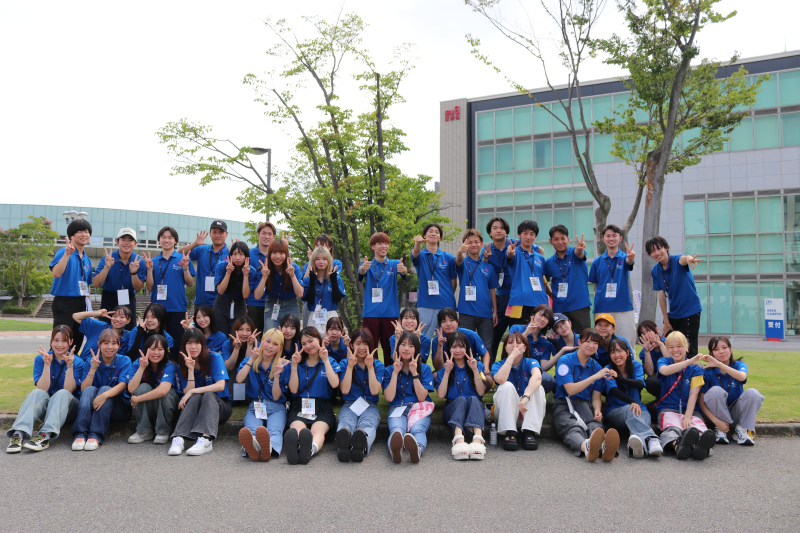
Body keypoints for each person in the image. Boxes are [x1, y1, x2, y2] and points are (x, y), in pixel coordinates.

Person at [6, 326, 86, 453]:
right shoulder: (41, 359)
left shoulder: (78, 362)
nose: (59, 345)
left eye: (64, 340)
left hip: (68, 410)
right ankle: (19, 433)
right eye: (56, 340)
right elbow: (42, 389)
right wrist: (47, 365)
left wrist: (70, 366)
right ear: (51, 341)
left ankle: (45, 435)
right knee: (36, 392)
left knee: (62, 393)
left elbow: (68, 390)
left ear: (71, 342)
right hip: (47, 410)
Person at [482, 217, 543, 366]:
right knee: (495, 335)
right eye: (495, 228)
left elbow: (537, 250)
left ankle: (520, 367)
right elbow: (484, 272)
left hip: (518, 297)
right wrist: (486, 258)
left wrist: (511, 253)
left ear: (507, 232)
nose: (498, 230)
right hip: (501, 297)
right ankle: (490, 369)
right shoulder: (487, 249)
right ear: (490, 232)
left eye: (502, 228)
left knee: (519, 334)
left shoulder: (516, 243)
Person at [552, 328, 620, 462]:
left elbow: (596, 397)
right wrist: (595, 377)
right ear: (579, 342)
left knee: (595, 425)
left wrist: (597, 409)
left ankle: (603, 448)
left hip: (584, 404)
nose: (591, 346)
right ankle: (586, 447)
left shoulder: (596, 366)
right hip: (564, 403)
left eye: (595, 343)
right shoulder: (565, 361)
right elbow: (570, 390)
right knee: (572, 427)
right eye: (587, 341)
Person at [281, 328, 341, 465]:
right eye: (303, 343)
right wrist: (294, 365)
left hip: (322, 405)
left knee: (317, 430)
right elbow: (293, 389)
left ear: (319, 340)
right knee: (296, 429)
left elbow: (334, 384)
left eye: (310, 341)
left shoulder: (329, 360)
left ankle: (309, 450)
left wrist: (325, 360)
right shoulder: (297, 362)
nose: (308, 346)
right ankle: (296, 447)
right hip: (301, 404)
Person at [168, 329, 232, 456]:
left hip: (220, 408)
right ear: (184, 345)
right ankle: (179, 437)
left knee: (207, 394)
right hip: (197, 410)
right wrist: (190, 370)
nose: (193, 347)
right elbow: (187, 393)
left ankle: (206, 439)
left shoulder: (215, 358)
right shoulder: (181, 366)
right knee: (196, 396)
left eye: (197, 342)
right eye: (189, 343)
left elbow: (220, 386)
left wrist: (193, 390)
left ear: (203, 344)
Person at [655, 331, 716, 460]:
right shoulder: (663, 361)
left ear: (687, 347)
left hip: (691, 411)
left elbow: (694, 394)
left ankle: (700, 448)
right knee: (671, 430)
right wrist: (688, 362)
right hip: (668, 409)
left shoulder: (696, 368)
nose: (675, 350)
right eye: (671, 347)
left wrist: (687, 417)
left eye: (679, 346)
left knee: (699, 430)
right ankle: (678, 446)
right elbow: (664, 371)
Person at [71, 329, 132, 451]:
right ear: (99, 344)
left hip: (119, 409)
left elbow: (123, 385)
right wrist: (93, 369)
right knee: (89, 389)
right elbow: (84, 389)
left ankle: (95, 436)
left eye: (114, 343)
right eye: (106, 343)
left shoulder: (124, 360)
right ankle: (80, 435)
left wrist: (104, 395)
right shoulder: (90, 361)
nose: (110, 347)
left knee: (104, 389)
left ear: (118, 345)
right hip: (95, 406)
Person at [602, 338, 663, 458]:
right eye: (613, 352)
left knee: (641, 419)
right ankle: (652, 439)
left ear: (627, 352)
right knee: (631, 411)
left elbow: (639, 384)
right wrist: (632, 401)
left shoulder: (636, 365)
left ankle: (635, 447)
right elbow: (614, 391)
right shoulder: (608, 369)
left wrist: (618, 378)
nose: (616, 355)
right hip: (615, 411)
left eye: (619, 351)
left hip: (640, 409)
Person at [699, 336, 763, 446]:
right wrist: (716, 422)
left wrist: (719, 364)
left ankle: (741, 430)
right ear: (711, 353)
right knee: (715, 391)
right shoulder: (707, 371)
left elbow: (742, 377)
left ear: (730, 349)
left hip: (735, 413)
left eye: (724, 347)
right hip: (716, 416)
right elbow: (701, 402)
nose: (721, 351)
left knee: (753, 393)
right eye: (716, 349)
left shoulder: (739, 365)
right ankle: (720, 431)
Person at [236, 329, 288, 462]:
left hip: (276, 407)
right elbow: (239, 379)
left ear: (280, 348)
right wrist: (252, 359)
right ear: (262, 341)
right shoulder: (250, 360)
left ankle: (267, 449)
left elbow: (276, 397)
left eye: (275, 344)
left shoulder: (282, 365)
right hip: (255, 406)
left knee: (274, 431)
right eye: (268, 341)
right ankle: (254, 448)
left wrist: (277, 375)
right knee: (251, 430)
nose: (270, 346)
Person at [646, 236, 704, 356]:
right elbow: (661, 296)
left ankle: (692, 368)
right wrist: (666, 322)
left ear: (666, 248)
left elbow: (684, 259)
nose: (657, 253)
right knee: (671, 348)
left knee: (688, 349)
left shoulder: (677, 261)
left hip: (690, 312)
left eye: (659, 248)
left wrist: (690, 259)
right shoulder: (655, 271)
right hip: (672, 314)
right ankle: (673, 369)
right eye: (652, 251)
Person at [382, 332, 435, 464]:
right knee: (396, 431)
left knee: (418, 430)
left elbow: (422, 397)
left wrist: (415, 373)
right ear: (398, 347)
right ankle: (395, 451)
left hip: (418, 408)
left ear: (416, 350)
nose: (406, 349)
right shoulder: (389, 370)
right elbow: (389, 397)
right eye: (403, 345)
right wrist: (395, 373)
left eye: (411, 346)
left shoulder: (425, 369)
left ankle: (417, 450)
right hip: (397, 407)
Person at [335, 328, 384, 463]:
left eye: (365, 343)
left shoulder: (378, 365)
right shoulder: (344, 364)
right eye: (358, 343)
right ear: (351, 345)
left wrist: (370, 367)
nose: (362, 347)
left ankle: (361, 446)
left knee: (368, 423)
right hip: (350, 403)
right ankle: (343, 445)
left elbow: (374, 391)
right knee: (346, 422)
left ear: (371, 345)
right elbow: (345, 390)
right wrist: (350, 367)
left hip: (370, 404)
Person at [491, 332, 546, 451]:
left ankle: (529, 432)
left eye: (518, 342)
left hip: (526, 410)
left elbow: (537, 377)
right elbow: (500, 380)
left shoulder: (531, 362)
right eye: (510, 343)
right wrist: (511, 357)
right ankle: (510, 433)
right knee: (506, 385)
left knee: (538, 387)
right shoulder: (498, 364)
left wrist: (526, 397)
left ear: (524, 348)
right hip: (506, 413)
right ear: (505, 348)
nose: (514, 345)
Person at [436, 331, 487, 460]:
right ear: (449, 349)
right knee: (461, 400)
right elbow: (441, 395)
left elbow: (481, 392)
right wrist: (447, 372)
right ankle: (459, 440)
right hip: (452, 409)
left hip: (473, 407)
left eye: (461, 346)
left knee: (474, 398)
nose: (457, 350)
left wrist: (475, 370)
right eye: (454, 347)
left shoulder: (477, 365)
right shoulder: (444, 370)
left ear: (467, 349)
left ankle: (477, 440)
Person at [359, 232, 408, 364]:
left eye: (386, 243)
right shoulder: (367, 264)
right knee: (370, 348)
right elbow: (361, 272)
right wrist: (362, 269)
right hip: (370, 313)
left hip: (390, 313)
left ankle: (391, 375)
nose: (384, 246)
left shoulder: (394, 263)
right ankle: (372, 374)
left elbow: (404, 271)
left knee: (391, 349)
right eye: (380, 243)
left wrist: (403, 270)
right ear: (372, 246)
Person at [145, 226, 196, 350]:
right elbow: (149, 286)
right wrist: (149, 269)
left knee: (176, 344)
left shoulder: (183, 259)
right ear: (159, 240)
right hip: (157, 311)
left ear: (175, 241)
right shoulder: (153, 261)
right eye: (163, 237)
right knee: (157, 344)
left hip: (177, 308)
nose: (166, 240)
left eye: (170, 237)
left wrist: (185, 268)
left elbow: (190, 283)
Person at [508, 305, 578, 394]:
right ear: (533, 315)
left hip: (532, 373)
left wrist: (562, 350)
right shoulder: (516, 328)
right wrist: (526, 333)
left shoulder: (545, 342)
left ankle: (528, 396)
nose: (543, 319)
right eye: (541, 315)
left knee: (549, 380)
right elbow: (509, 349)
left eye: (547, 318)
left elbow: (544, 367)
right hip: (512, 368)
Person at [50, 218, 94, 352]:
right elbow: (56, 273)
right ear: (71, 235)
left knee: (77, 341)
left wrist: (88, 306)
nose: (84, 234)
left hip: (82, 303)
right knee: (61, 340)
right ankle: (52, 364)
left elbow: (87, 285)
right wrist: (67, 255)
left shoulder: (87, 259)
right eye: (80, 231)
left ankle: (72, 365)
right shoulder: (64, 252)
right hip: (65, 303)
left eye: (86, 231)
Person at [126, 334, 179, 445]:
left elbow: (162, 391)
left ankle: (163, 431)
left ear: (165, 351)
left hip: (167, 406)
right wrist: (142, 367)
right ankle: (144, 432)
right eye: (153, 349)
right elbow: (131, 388)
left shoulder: (169, 365)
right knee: (143, 387)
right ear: (146, 350)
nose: (156, 353)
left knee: (165, 392)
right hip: (149, 407)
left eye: (160, 349)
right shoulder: (138, 363)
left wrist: (137, 399)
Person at [588, 224, 636, 344]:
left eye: (614, 235)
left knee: (627, 343)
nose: (611, 238)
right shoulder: (597, 262)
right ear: (603, 239)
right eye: (608, 236)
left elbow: (629, 262)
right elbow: (595, 285)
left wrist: (631, 258)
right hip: (602, 308)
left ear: (620, 238)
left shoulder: (625, 257)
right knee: (601, 343)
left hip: (623, 308)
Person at [92, 228, 146, 330]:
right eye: (123, 239)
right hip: (109, 297)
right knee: (105, 330)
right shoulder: (108, 258)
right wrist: (107, 267)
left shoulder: (139, 261)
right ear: (117, 242)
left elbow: (138, 288)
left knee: (128, 331)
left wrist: (133, 272)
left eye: (130, 240)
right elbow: (96, 284)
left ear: (135, 243)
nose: (126, 243)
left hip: (128, 298)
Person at [411, 222, 457, 340]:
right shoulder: (421, 255)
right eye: (430, 231)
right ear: (424, 235)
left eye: (437, 232)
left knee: (448, 339)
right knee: (421, 338)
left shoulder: (448, 257)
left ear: (440, 237)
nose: (434, 233)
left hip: (446, 304)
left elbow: (453, 281)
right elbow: (415, 253)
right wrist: (417, 243)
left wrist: (447, 296)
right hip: (425, 304)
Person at [455, 229, 498, 353]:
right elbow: (458, 260)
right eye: (470, 242)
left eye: (476, 242)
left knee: (486, 347)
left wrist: (495, 311)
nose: (473, 245)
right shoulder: (463, 262)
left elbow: (492, 290)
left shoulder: (488, 267)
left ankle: (486, 366)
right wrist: (460, 252)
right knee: (464, 345)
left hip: (486, 313)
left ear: (481, 244)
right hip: (466, 312)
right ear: (465, 244)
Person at [544, 225, 591, 334]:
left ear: (568, 239)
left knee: (584, 337)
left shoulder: (575, 253)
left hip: (579, 306)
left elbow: (580, 253)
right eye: (556, 239)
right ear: (551, 241)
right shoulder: (549, 262)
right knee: (560, 340)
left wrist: (580, 248)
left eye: (563, 238)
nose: (560, 242)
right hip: (559, 308)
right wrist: (551, 294)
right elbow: (544, 281)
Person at [430, 308, 493, 388]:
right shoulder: (437, 340)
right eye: (444, 321)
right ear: (439, 324)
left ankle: (476, 392)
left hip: (472, 368)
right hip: (450, 370)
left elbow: (485, 353)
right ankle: (450, 393)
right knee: (434, 376)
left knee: (489, 379)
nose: (448, 324)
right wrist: (440, 346)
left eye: (451, 320)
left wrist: (486, 366)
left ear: (457, 321)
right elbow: (438, 367)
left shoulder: (470, 334)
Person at [505, 220, 549, 327]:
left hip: (540, 303)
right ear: (519, 235)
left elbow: (544, 280)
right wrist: (510, 253)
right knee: (517, 334)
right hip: (518, 303)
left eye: (532, 234)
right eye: (525, 233)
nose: (528, 237)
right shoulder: (515, 252)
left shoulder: (540, 258)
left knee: (538, 335)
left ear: (535, 236)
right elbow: (509, 257)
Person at [253, 238, 303, 331]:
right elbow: (257, 296)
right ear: (269, 254)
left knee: (292, 333)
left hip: (291, 304)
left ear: (286, 254)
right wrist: (264, 277)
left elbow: (300, 294)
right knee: (272, 334)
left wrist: (292, 275)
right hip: (272, 305)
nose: (277, 256)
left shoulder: (294, 268)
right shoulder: (264, 269)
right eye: (274, 252)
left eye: (281, 252)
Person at [179, 221, 230, 309]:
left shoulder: (230, 252)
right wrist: (195, 243)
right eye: (214, 232)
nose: (217, 235)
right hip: (201, 302)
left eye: (221, 232)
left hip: (221, 303)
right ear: (210, 234)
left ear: (226, 234)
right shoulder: (201, 249)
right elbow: (179, 255)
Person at [300, 247, 346, 337]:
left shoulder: (336, 279)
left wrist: (333, 281)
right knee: (314, 342)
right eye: (318, 259)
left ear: (329, 261)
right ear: (313, 261)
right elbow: (309, 300)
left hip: (331, 316)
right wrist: (312, 281)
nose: (321, 262)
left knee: (332, 343)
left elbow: (337, 299)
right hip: (314, 316)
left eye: (324, 259)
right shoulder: (308, 280)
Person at [213, 241, 254, 335]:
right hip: (221, 303)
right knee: (221, 334)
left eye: (241, 254)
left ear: (246, 256)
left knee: (237, 334)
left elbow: (245, 295)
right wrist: (228, 273)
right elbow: (220, 291)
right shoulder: (222, 266)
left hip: (239, 305)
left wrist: (246, 275)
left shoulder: (251, 271)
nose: (237, 257)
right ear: (230, 255)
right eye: (234, 254)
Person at [247, 222, 277, 333]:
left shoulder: (277, 256)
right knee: (254, 336)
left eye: (269, 234)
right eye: (263, 233)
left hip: (272, 303)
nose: (266, 236)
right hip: (253, 303)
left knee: (271, 336)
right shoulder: (248, 255)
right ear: (258, 234)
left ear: (273, 237)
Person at [221, 316, 258, 400]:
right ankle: (235, 397)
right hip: (232, 375)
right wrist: (236, 348)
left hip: (248, 376)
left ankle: (245, 397)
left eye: (248, 330)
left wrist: (250, 345)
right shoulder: (227, 343)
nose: (244, 334)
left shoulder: (256, 344)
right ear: (235, 330)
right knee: (233, 371)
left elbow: (248, 365)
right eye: (241, 329)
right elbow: (229, 367)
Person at [636, 320, 668, 399]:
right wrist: (647, 351)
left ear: (657, 329)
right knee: (650, 381)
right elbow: (650, 373)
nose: (647, 335)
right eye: (643, 334)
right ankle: (661, 398)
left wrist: (660, 344)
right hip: (659, 376)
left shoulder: (669, 341)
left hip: (674, 373)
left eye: (649, 331)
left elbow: (672, 361)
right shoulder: (643, 352)